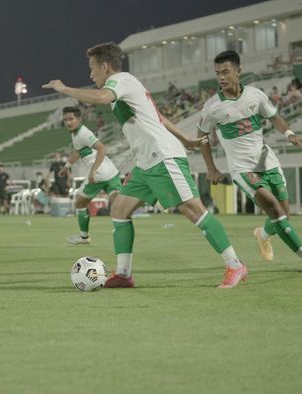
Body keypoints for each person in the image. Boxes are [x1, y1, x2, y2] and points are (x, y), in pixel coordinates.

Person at [43, 42, 249, 289]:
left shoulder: (121, 81)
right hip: (145, 164)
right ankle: (123, 274)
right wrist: (185, 138)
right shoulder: (126, 87)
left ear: (105, 66)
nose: (90, 74)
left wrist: (64, 88)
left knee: (193, 210)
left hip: (163, 157)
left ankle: (235, 265)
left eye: (92, 68)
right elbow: (158, 117)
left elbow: (101, 97)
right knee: (119, 211)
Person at [197, 51, 302, 272]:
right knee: (274, 209)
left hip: (267, 162)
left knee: (284, 213)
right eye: (218, 73)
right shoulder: (212, 107)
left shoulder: (256, 95)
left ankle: (263, 234)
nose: (222, 78)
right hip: (243, 169)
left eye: (226, 72)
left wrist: (289, 134)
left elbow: (274, 117)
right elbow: (202, 137)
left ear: (239, 71)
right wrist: (211, 168)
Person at [59, 106, 122, 245]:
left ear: (79, 119)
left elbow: (102, 148)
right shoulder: (75, 133)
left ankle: (84, 237)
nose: (68, 122)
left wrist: (93, 171)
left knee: (80, 202)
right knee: (117, 205)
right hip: (112, 172)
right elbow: (78, 151)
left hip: (98, 175)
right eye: (65, 120)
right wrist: (67, 166)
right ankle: (121, 232)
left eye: (71, 119)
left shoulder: (83, 133)